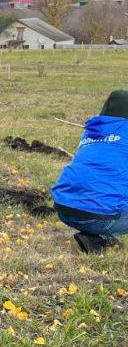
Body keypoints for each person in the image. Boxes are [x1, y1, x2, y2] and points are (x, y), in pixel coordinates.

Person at [51, 89, 128, 253]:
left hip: (65, 209)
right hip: (99, 216)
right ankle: (102, 233)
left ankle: (93, 238)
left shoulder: (91, 131)